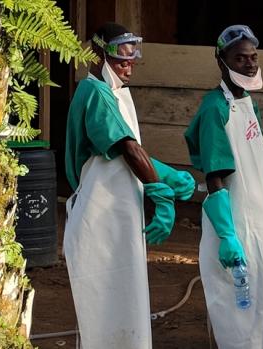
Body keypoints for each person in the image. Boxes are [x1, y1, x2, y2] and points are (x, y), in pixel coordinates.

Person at [63, 22, 195, 348]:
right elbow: (128, 149)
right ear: (98, 53)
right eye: (121, 56)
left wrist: (166, 174)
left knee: (126, 295)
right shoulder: (95, 92)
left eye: (132, 56)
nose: (128, 64)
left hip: (119, 210)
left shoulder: (118, 93)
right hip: (100, 211)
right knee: (106, 302)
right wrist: (160, 193)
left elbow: (130, 151)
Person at [183, 25, 263, 349]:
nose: (250, 64)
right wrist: (227, 235)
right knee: (243, 296)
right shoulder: (215, 108)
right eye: (240, 59)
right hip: (235, 214)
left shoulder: (248, 103)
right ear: (221, 62)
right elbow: (215, 175)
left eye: (253, 57)